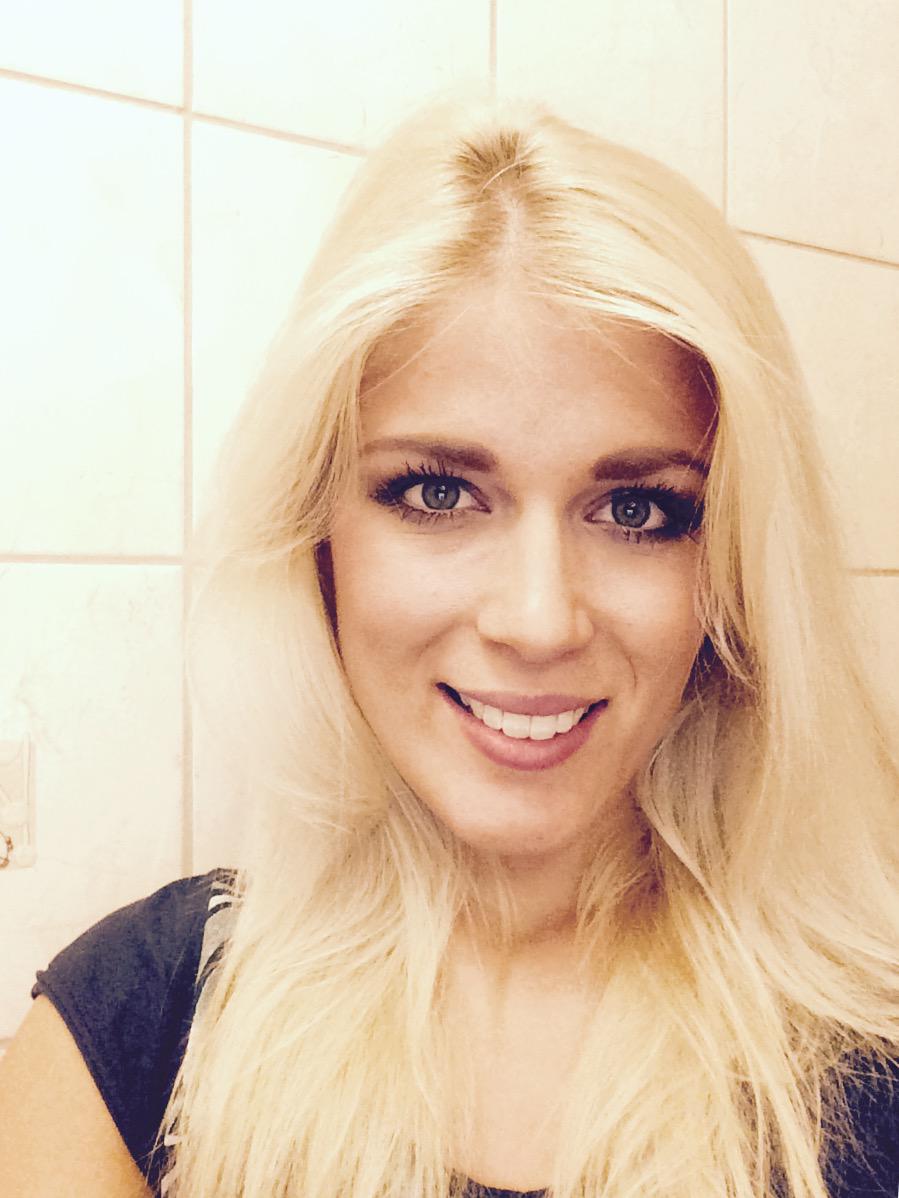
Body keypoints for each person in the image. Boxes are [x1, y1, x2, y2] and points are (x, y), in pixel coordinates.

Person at [1, 90, 897, 1198]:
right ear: (316, 535)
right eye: (436, 492)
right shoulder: (131, 1032)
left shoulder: (870, 1054)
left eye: (636, 510)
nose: (539, 619)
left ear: (734, 575)